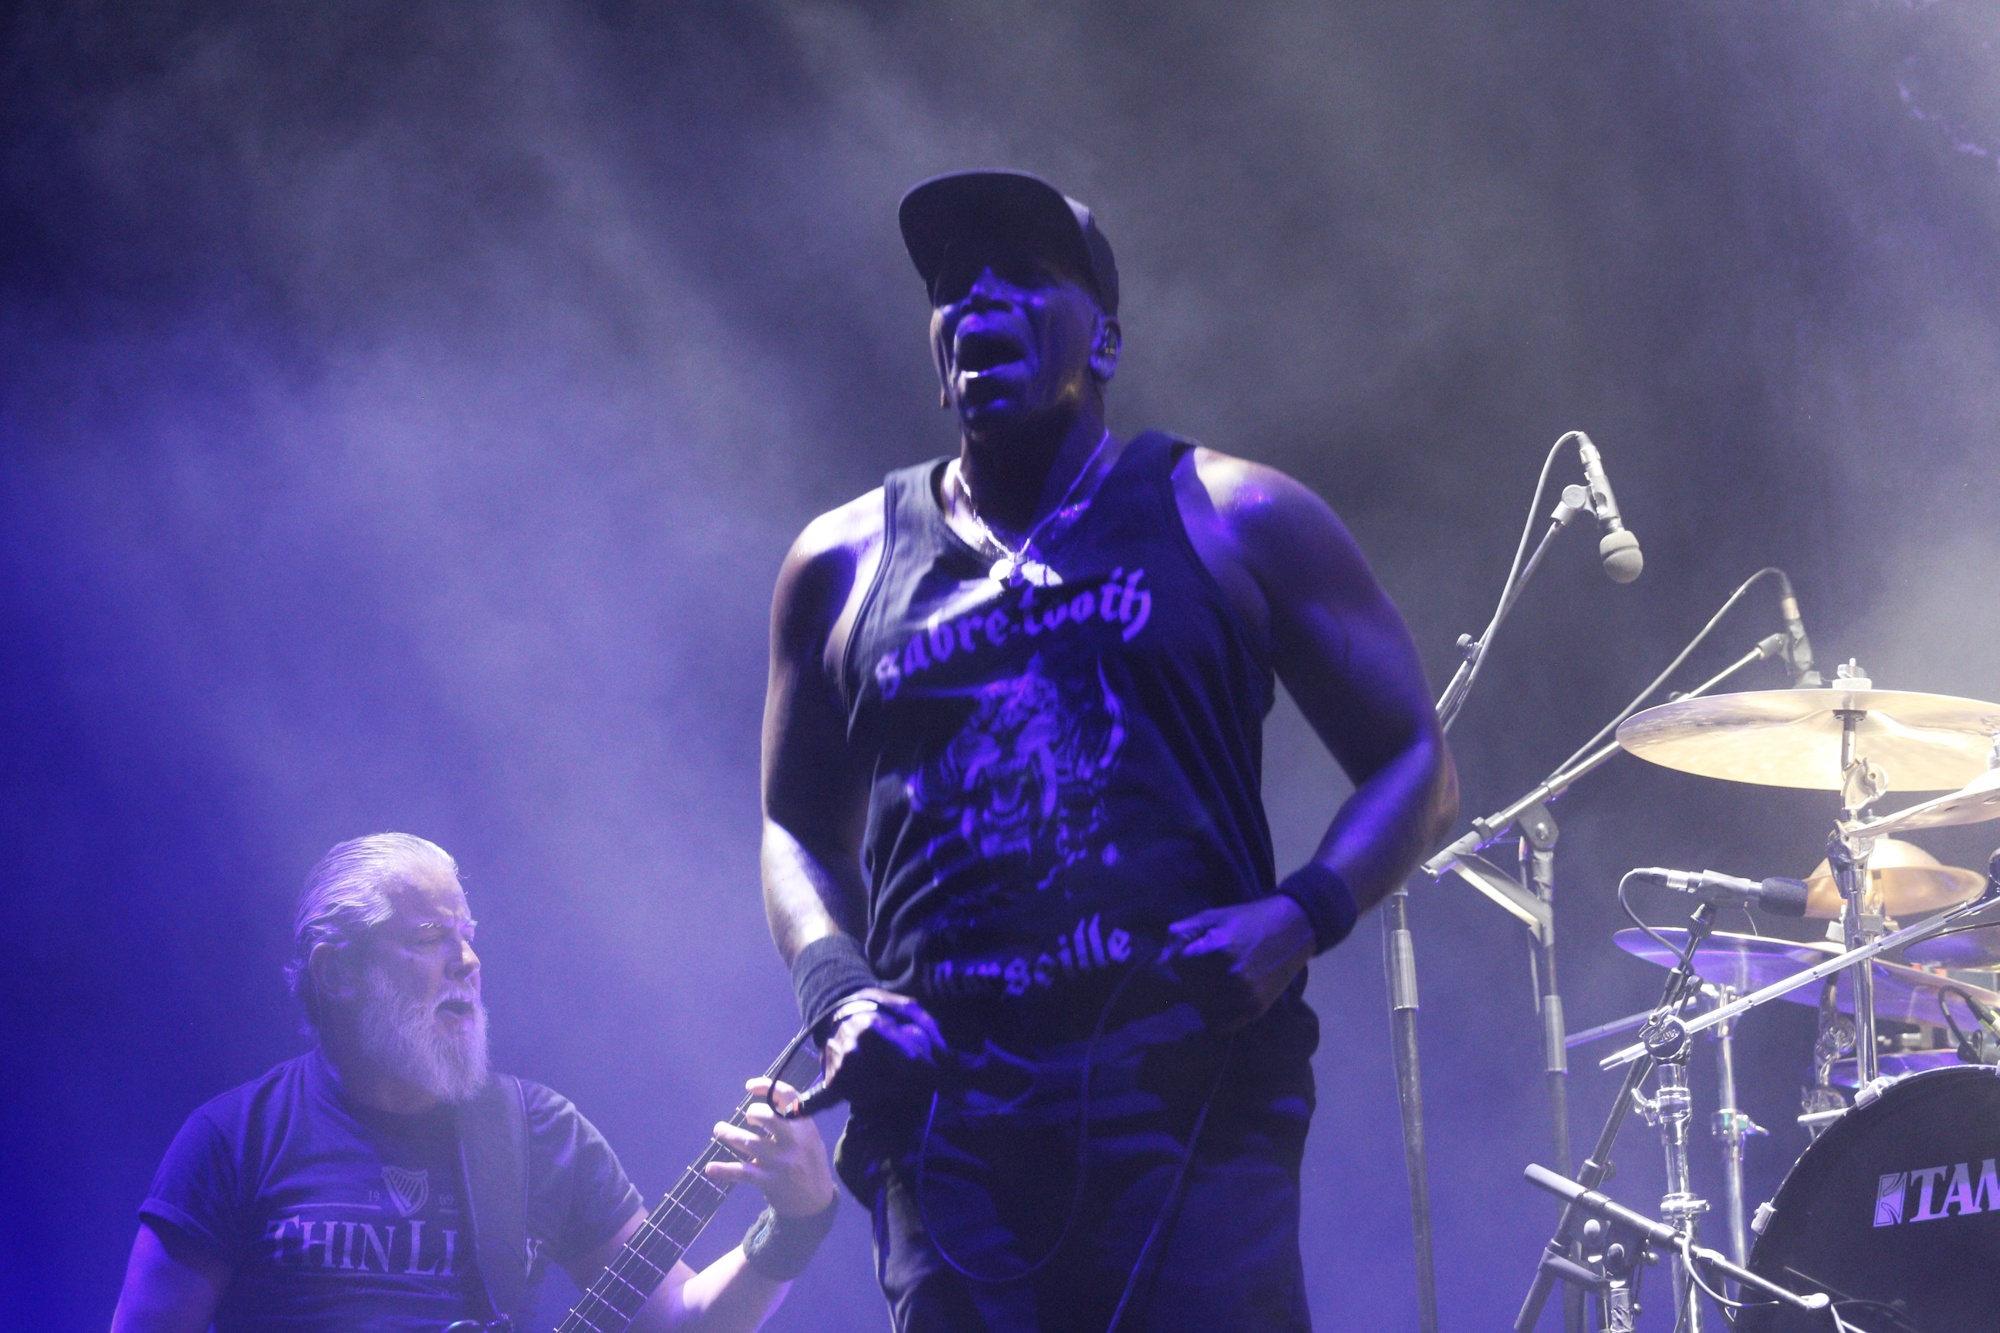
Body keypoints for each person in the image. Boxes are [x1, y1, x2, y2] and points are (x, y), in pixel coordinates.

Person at [760, 171, 1459, 1331]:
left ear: (1106, 341)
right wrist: (837, 992)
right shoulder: (839, 565)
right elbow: (793, 826)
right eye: (951, 284)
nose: (977, 296)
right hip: (947, 1129)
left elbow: (1414, 762)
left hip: (1184, 1104)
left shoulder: (1235, 515)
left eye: (1024, 274)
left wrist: (1298, 917)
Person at [111, 833, 838, 1333]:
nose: (467, 960)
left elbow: (680, 1322)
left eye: (467, 934)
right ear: (336, 972)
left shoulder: (540, 1132)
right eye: (429, 937)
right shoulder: (233, 1140)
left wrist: (796, 1224)